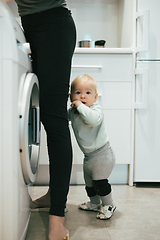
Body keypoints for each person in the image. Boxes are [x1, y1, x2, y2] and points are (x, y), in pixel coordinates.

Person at [6, 0, 76, 239]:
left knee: (54, 118)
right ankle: (53, 196)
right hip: (30, 26)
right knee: (45, 116)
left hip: (53, 24)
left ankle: (57, 216)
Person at [68, 74, 116, 220]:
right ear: (70, 96)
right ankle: (95, 203)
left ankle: (109, 204)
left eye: (88, 93)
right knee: (89, 184)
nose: (82, 96)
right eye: (78, 93)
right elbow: (64, 117)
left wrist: (80, 106)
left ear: (95, 97)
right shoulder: (74, 112)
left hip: (102, 154)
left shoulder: (96, 110)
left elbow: (92, 120)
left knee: (100, 183)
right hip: (88, 156)